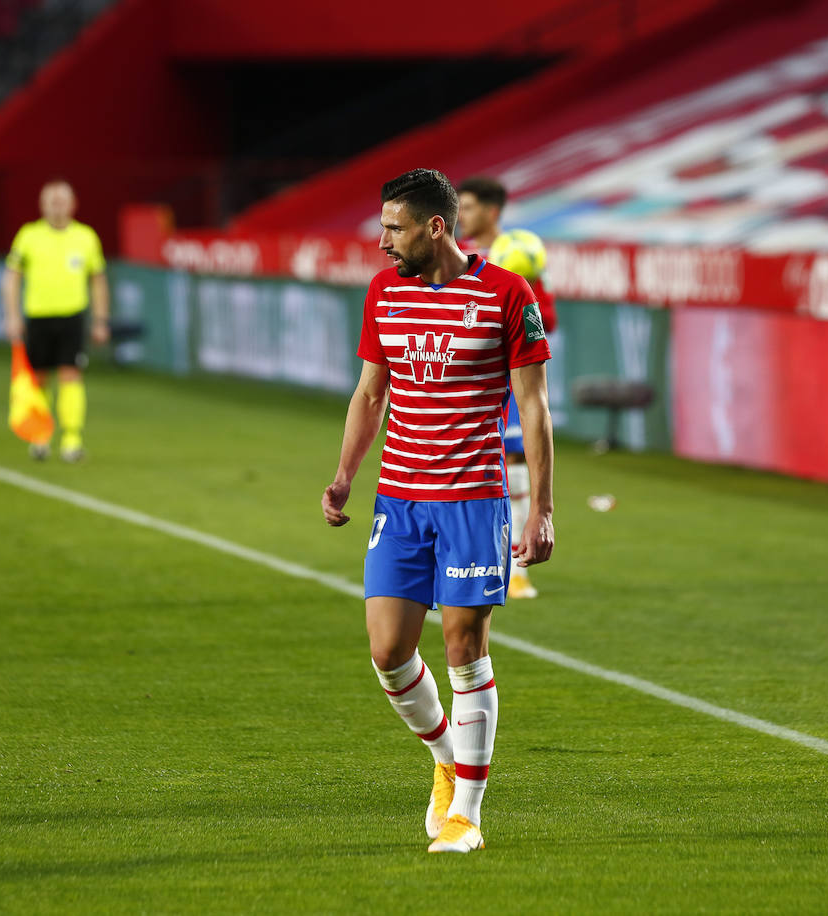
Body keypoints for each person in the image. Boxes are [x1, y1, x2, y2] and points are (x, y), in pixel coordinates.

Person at [322, 168, 555, 854]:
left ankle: (467, 816)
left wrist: (540, 509)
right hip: (400, 495)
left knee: (463, 648)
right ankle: (449, 758)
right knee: (388, 652)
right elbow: (371, 395)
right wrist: (343, 477)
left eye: (394, 228)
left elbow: (535, 409)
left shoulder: (508, 294)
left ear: (434, 227)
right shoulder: (384, 293)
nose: (383, 241)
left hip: (474, 503)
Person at [456, 176, 558, 599]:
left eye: (469, 206)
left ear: (492, 211)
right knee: (464, 467)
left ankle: (516, 568)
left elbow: (546, 321)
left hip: (510, 378)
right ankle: (459, 565)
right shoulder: (456, 256)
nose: (462, 214)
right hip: (470, 380)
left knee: (515, 459)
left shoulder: (520, 254)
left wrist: (527, 297)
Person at [1, 180, 109, 463]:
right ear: (42, 205)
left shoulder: (86, 238)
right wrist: (12, 316)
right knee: (38, 378)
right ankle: (40, 436)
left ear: (74, 205)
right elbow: (12, 278)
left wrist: (100, 320)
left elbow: (98, 281)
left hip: (72, 316)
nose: (57, 206)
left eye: (62, 201)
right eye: (52, 201)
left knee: (70, 374)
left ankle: (72, 440)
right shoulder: (28, 236)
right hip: (38, 315)